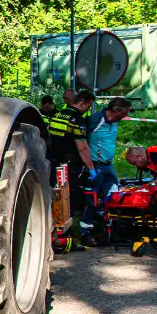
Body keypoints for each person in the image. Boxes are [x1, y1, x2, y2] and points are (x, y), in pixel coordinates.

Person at [47, 90, 98, 250]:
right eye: (88, 106)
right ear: (83, 102)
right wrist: (91, 169)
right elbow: (82, 147)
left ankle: (56, 236)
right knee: (68, 200)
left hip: (56, 163)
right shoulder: (77, 119)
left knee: (57, 199)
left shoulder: (59, 115)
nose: (88, 110)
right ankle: (65, 239)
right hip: (70, 166)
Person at [80, 97, 132, 245]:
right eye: (125, 113)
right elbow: (80, 140)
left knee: (114, 196)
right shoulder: (95, 120)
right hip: (95, 166)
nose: (126, 116)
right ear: (117, 111)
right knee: (92, 199)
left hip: (108, 166)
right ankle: (86, 232)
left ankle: (111, 230)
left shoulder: (114, 122)